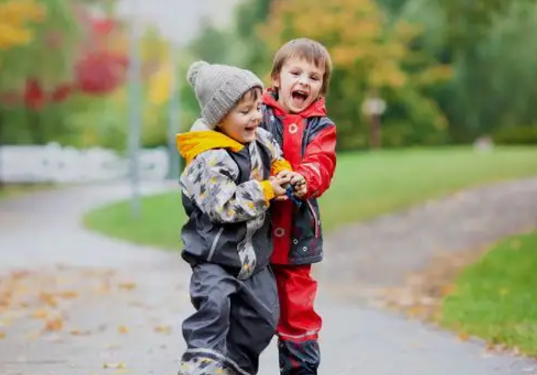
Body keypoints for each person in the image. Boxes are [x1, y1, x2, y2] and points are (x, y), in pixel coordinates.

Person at [175, 60, 299, 375]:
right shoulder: (209, 158)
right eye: (245, 111)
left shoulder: (259, 139)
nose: (256, 116)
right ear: (219, 118)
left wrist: (285, 175)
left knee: (264, 319)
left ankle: (233, 368)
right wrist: (268, 190)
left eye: (257, 107)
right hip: (215, 259)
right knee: (214, 308)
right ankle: (201, 367)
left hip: (254, 259)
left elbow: (276, 157)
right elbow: (224, 206)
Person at [260, 38, 337, 375]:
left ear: (320, 89)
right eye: (296, 72)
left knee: (298, 317)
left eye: (314, 77)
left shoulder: (322, 128)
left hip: (296, 242)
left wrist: (304, 179)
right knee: (246, 315)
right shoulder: (255, 115)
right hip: (253, 240)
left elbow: (322, 163)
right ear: (277, 77)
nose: (304, 81)